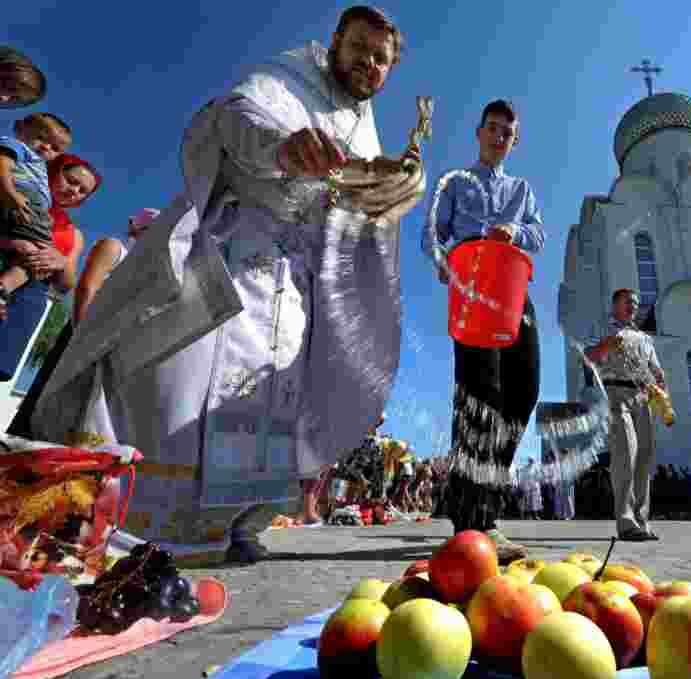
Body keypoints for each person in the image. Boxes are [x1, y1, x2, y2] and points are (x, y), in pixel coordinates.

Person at [33, 6, 424, 565]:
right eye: (359, 47)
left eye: (380, 59)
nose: (368, 63)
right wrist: (285, 148)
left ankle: (236, 522)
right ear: (335, 42)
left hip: (297, 285)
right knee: (180, 386)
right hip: (233, 253)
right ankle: (139, 529)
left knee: (274, 402)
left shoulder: (368, 127)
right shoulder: (289, 76)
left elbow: (351, 207)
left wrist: (387, 192)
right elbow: (236, 115)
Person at [423, 99, 544, 562]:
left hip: (514, 285)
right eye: (492, 128)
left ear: (514, 141)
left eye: (506, 132)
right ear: (479, 132)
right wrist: (443, 261)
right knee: (480, 392)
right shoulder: (454, 183)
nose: (498, 137)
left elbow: (539, 233)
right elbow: (431, 232)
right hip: (472, 282)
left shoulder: (522, 190)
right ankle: (476, 521)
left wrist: (515, 232)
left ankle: (471, 489)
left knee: (523, 388)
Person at [7, 206, 140, 444]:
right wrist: (81, 335)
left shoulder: (142, 269)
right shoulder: (116, 248)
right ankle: (19, 449)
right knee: (45, 395)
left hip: (105, 343)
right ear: (136, 227)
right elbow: (86, 287)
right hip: (84, 333)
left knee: (78, 409)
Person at [1, 152, 90, 386]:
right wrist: (10, 243)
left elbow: (65, 283)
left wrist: (61, 262)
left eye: (83, 191)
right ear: (52, 172)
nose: (74, 191)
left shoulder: (74, 234)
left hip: (26, 299)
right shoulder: (12, 192)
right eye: (71, 181)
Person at [584, 288, 666, 542]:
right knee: (625, 454)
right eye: (628, 301)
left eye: (636, 303)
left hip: (643, 397)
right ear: (615, 304)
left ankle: (642, 521)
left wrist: (661, 382)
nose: (634, 306)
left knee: (644, 457)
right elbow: (587, 358)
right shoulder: (602, 327)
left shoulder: (644, 338)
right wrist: (604, 345)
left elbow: (656, 370)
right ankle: (626, 521)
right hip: (615, 392)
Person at [0, 113, 73, 316]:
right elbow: (2, 167)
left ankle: (4, 287)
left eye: (55, 148)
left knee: (38, 261)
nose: (46, 148)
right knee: (37, 255)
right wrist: (10, 193)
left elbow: (67, 283)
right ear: (20, 129)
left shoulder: (38, 166)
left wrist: (45, 216)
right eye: (41, 138)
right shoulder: (16, 146)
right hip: (19, 199)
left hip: (31, 210)